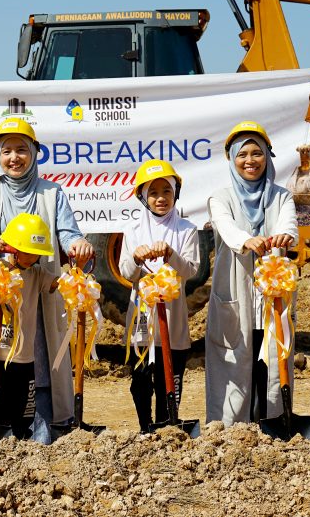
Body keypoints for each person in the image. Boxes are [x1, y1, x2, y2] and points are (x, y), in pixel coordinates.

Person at [0, 117, 93, 443]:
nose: (14, 158)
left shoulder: (51, 192)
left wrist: (77, 244)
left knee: (40, 364)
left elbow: (68, 233)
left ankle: (42, 431)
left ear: (35, 153)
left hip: (39, 291)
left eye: (21, 150)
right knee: (0, 363)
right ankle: (0, 428)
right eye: (6, 151)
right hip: (0, 297)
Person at [206, 121, 297, 427]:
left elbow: (288, 226)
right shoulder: (220, 197)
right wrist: (247, 240)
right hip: (236, 296)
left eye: (257, 153)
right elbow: (226, 227)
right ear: (232, 159)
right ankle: (230, 433)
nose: (250, 161)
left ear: (267, 157)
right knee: (233, 368)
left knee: (272, 368)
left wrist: (283, 236)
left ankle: (275, 426)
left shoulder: (282, 196)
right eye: (242, 154)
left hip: (273, 295)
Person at [119, 160, 199, 433]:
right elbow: (127, 273)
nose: (161, 198)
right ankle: (145, 427)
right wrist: (135, 258)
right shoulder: (132, 231)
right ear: (143, 197)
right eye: (153, 193)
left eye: (167, 191)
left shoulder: (186, 229)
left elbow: (190, 270)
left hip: (173, 318)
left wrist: (171, 254)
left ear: (176, 193)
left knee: (170, 378)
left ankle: (168, 427)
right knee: (141, 380)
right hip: (142, 318)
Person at [0, 212, 58, 438]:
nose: (32, 258)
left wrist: (78, 273)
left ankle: (18, 442)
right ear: (13, 247)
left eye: (36, 253)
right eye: (27, 252)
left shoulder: (37, 273)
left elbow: (57, 284)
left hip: (24, 356)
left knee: (23, 410)